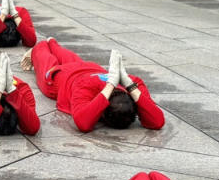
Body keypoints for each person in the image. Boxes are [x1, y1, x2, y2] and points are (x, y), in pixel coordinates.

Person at [23, 40, 164, 132]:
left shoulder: (130, 83)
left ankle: (44, 45)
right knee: (59, 53)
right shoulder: (132, 84)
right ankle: (51, 43)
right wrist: (127, 84)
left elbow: (158, 122)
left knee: (42, 55)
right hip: (77, 71)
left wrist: (118, 83)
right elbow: (157, 121)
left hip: (67, 74)